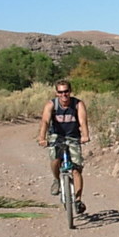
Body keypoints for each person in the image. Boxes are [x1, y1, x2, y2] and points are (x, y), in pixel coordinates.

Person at [37, 79, 90, 213]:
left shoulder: (78, 104)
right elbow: (45, 121)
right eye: (60, 92)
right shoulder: (51, 105)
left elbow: (83, 120)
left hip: (73, 137)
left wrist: (85, 135)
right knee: (55, 158)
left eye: (66, 91)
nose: (63, 95)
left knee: (76, 169)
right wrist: (42, 137)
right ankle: (56, 180)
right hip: (57, 136)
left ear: (70, 91)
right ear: (56, 93)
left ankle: (78, 201)